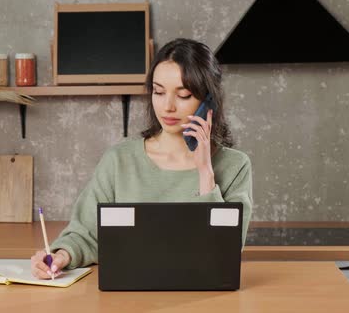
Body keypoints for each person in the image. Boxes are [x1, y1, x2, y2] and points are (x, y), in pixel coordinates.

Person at [31, 38, 253, 280]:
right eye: (158, 92)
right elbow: (86, 233)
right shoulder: (119, 160)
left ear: (208, 101)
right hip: (127, 296)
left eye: (184, 95)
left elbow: (222, 251)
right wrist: (62, 255)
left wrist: (205, 173)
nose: (167, 106)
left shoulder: (235, 166)